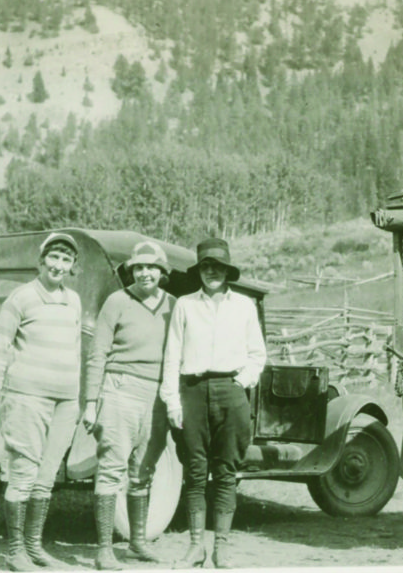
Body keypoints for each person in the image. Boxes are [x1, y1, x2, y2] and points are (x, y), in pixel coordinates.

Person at [160, 237, 267, 569]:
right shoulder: (185, 305)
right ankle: (195, 546)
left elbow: (257, 355)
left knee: (225, 471)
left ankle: (222, 546)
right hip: (192, 390)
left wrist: (240, 382)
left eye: (217, 266)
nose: (211, 272)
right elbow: (171, 355)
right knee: (195, 472)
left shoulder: (244, 306)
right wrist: (172, 400)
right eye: (206, 266)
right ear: (199, 271)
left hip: (230, 390)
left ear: (227, 271)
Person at [0, 232, 82, 571]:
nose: (58, 265)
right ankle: (14, 552)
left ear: (72, 267)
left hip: (65, 401)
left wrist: (78, 396)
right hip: (27, 397)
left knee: (47, 475)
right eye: (53, 257)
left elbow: (75, 348)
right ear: (41, 261)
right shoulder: (21, 297)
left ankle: (33, 547)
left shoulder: (73, 300)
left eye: (66, 259)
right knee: (24, 473)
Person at [82, 241, 176, 570]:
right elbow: (98, 355)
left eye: (151, 267)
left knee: (143, 470)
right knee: (111, 469)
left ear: (163, 272)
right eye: (138, 267)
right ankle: (104, 549)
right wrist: (91, 402)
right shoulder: (116, 302)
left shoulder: (174, 306)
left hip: (158, 396)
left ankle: (137, 541)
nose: (145, 272)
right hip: (119, 390)